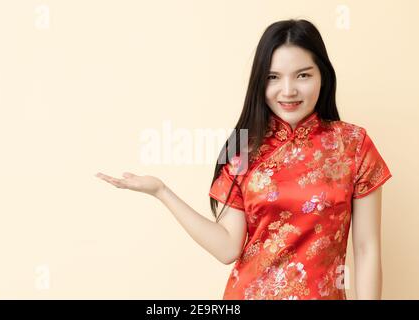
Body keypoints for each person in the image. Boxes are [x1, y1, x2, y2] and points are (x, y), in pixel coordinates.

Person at [95, 19, 392, 300]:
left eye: (303, 75)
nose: (288, 90)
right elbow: (227, 247)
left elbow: (366, 249)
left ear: (323, 76)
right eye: (273, 77)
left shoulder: (352, 144)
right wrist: (161, 191)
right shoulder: (241, 148)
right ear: (259, 83)